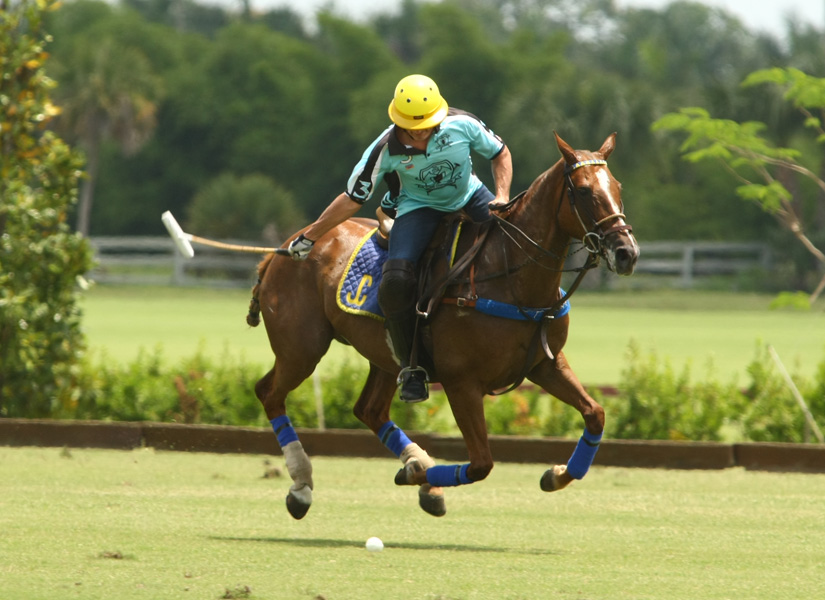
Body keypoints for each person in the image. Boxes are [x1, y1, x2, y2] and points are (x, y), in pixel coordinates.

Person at [287, 74, 513, 402]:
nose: (419, 132)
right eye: (411, 126)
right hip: (417, 208)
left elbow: (500, 152)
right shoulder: (385, 148)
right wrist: (310, 236)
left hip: (471, 196)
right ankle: (411, 368)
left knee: (513, 246)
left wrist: (502, 195)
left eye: (426, 124)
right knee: (395, 281)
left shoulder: (462, 125)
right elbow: (353, 198)